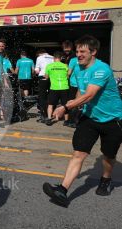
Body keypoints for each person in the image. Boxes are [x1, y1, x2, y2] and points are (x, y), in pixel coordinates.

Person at [43, 35, 122, 207]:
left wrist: (65, 107)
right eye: (77, 51)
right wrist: (74, 104)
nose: (78, 54)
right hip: (90, 117)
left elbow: (90, 94)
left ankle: (105, 180)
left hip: (112, 119)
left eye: (82, 51)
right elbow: (81, 91)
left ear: (93, 52)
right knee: (78, 153)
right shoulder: (78, 68)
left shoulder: (102, 69)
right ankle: (62, 190)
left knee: (108, 156)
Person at [44, 51, 69, 126]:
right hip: (64, 87)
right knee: (65, 105)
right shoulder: (65, 65)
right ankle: (66, 121)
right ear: (60, 58)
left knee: (50, 104)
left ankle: (49, 119)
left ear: (54, 58)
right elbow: (68, 76)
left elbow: (46, 77)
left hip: (54, 87)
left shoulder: (49, 66)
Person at [35, 49, 54, 122]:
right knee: (50, 95)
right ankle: (50, 113)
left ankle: (44, 115)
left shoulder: (39, 58)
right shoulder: (52, 57)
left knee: (42, 96)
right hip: (52, 77)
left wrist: (36, 72)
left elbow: (37, 70)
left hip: (43, 76)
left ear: (39, 53)